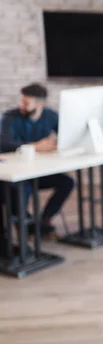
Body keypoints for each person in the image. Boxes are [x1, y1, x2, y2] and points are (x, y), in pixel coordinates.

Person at [0, 83, 74, 237]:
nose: (21, 105)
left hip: (38, 172)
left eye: (26, 103)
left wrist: (57, 145)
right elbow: (4, 143)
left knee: (67, 182)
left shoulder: (51, 116)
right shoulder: (9, 117)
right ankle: (24, 232)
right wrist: (35, 147)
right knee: (22, 189)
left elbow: (68, 137)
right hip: (16, 173)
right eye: (21, 101)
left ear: (39, 105)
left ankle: (44, 221)